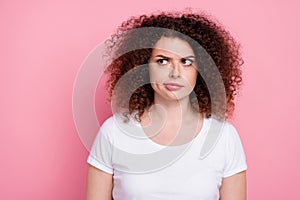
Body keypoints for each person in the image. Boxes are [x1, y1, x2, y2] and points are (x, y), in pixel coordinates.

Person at [86, 10, 247, 200]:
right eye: (163, 61)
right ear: (145, 67)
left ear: (200, 70)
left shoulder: (225, 137)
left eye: (186, 62)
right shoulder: (114, 131)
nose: (175, 72)